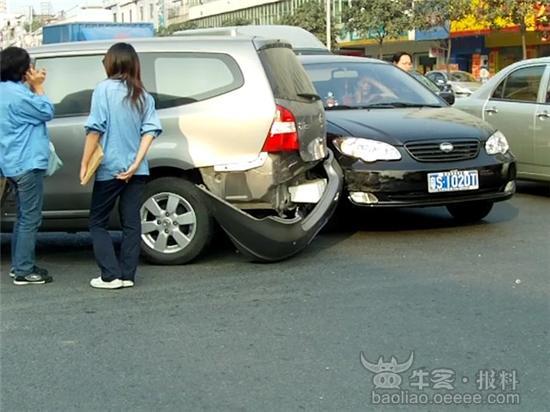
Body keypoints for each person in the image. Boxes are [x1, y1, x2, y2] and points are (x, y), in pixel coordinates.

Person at [80, 42, 162, 290]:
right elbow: (150, 131)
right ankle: (127, 275)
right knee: (131, 222)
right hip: (137, 170)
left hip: (109, 168)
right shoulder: (143, 95)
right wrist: (136, 163)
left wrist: (84, 163)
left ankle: (109, 275)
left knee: (97, 222)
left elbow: (95, 129)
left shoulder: (103, 90)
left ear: (112, 62)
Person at [0, 47, 54, 285]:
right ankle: (23, 270)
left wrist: (31, 86)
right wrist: (39, 86)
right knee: (30, 218)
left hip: (11, 162)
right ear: (22, 70)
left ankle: (19, 265)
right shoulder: (20, 96)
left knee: (22, 217)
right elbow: (46, 111)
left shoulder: (5, 91)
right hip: (27, 163)